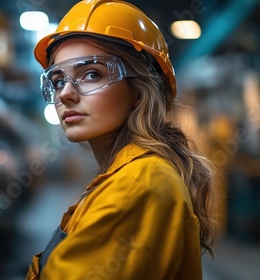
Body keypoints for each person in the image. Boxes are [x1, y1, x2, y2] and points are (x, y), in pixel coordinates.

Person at [26, 1, 217, 279]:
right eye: (57, 80)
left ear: (139, 92)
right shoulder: (125, 177)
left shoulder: (140, 185)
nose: (65, 93)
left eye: (91, 74)